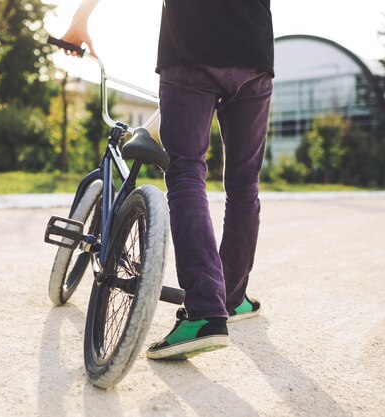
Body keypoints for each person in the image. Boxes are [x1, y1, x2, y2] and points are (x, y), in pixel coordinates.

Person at [61, 0, 274, 360]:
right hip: (253, 55)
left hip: (190, 50)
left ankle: (205, 312)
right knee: (244, 185)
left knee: (186, 170)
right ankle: (231, 299)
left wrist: (80, 20)